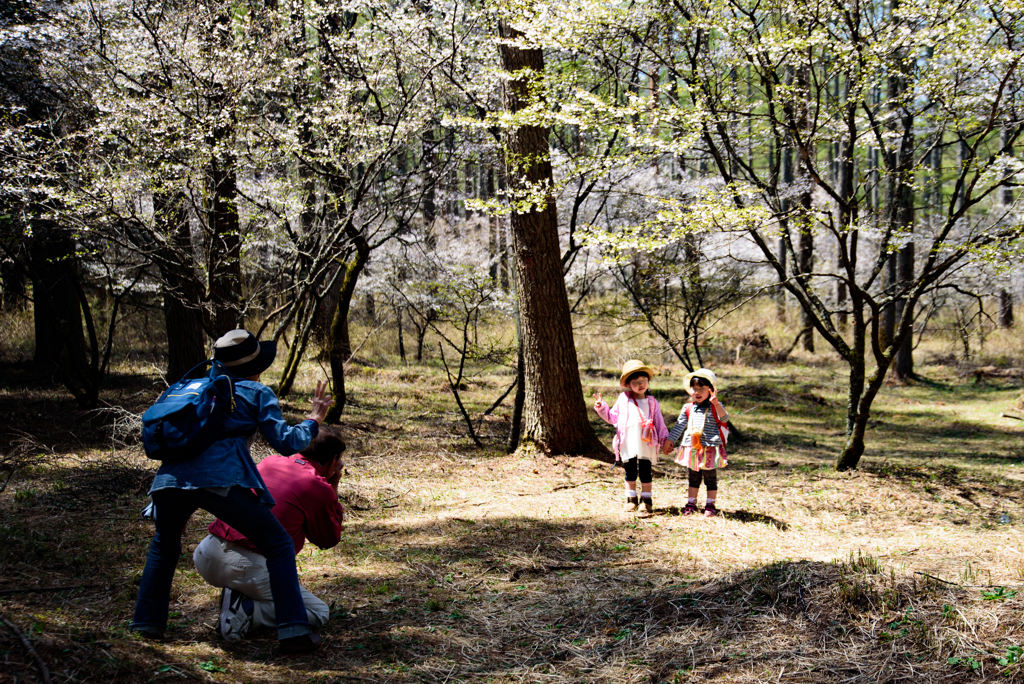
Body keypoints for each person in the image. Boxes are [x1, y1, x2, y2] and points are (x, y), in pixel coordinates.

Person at [131, 329, 333, 655]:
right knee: (278, 543)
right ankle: (294, 631)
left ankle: (146, 624)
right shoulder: (255, 391)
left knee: (164, 545)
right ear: (255, 366)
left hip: (167, 482)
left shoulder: (190, 387)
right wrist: (312, 420)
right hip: (220, 481)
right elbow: (286, 442)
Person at [193, 426, 346, 641]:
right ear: (333, 460)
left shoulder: (270, 461)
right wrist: (333, 488)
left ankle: (239, 595)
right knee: (318, 612)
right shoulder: (318, 486)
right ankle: (247, 611)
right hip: (247, 568)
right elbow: (328, 539)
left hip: (207, 553)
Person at [593, 359, 670, 518]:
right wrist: (602, 407)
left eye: (644, 381)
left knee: (645, 469)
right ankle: (631, 498)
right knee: (630, 469)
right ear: (629, 384)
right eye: (636, 382)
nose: (641, 385)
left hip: (646, 442)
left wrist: (664, 440)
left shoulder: (652, 402)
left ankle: (646, 501)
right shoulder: (623, 399)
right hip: (628, 440)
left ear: (648, 381)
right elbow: (612, 418)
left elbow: (659, 422)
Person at [662, 368, 730, 517]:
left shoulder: (715, 406)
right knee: (693, 476)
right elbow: (680, 425)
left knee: (710, 476)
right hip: (691, 446)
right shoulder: (688, 407)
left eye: (702, 389)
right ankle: (691, 503)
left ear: (711, 390)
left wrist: (717, 403)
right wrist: (670, 440)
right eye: (694, 389)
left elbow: (725, 419)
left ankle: (710, 505)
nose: (697, 392)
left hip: (709, 447)